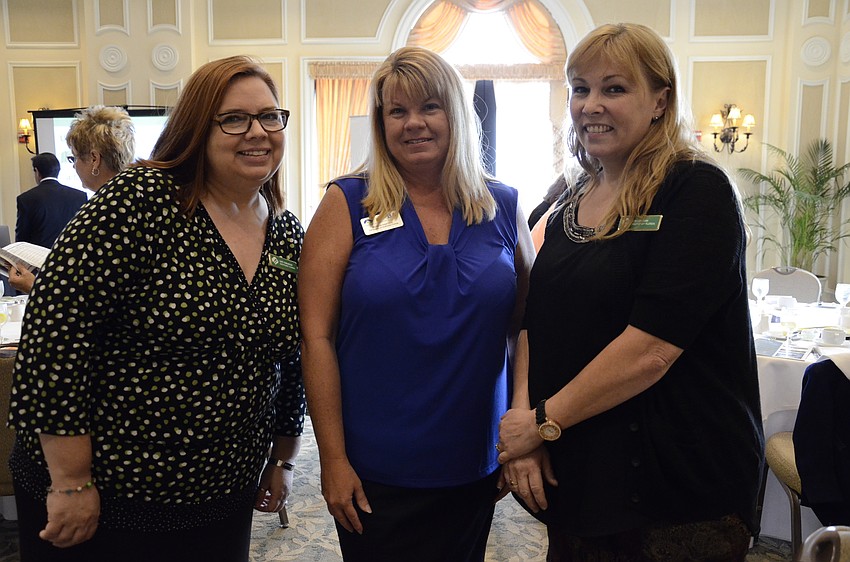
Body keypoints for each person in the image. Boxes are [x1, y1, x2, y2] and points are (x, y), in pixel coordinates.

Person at [8, 55, 305, 562]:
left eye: (269, 116)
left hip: (221, 495)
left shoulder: (285, 230)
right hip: (112, 497)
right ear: (195, 128)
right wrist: (72, 483)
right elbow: (55, 337)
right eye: (233, 118)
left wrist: (283, 458)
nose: (257, 132)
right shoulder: (140, 202)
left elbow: (288, 357)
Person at [496, 23, 764, 561]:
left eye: (614, 89)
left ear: (660, 100)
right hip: (580, 466)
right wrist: (521, 424)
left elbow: (651, 351)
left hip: (675, 482)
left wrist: (542, 423)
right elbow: (532, 318)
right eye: (580, 88)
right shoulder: (571, 194)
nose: (591, 104)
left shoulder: (696, 191)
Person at [299, 46, 534, 562]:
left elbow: (526, 328)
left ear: (456, 114)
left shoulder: (503, 206)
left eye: (430, 107)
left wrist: (521, 428)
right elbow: (315, 337)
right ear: (381, 122)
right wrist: (332, 458)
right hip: (373, 468)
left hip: (472, 459)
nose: (414, 124)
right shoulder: (346, 202)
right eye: (397, 111)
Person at [10, 106, 136, 294]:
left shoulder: (106, 212)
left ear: (94, 159)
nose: (74, 166)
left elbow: (94, 296)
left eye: (74, 157)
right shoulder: (135, 197)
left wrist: (34, 287)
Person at [15, 152, 87, 249]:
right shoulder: (80, 196)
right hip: (72, 257)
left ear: (37, 171)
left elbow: (21, 240)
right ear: (58, 170)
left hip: (39, 260)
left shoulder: (26, 199)